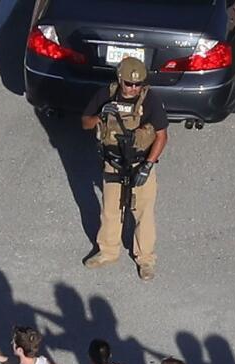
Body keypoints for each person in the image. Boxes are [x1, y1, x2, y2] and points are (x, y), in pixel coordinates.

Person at [80, 56, 169, 281]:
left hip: (139, 163)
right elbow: (84, 123)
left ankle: (146, 259)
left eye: (138, 84)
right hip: (113, 162)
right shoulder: (106, 95)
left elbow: (161, 136)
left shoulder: (150, 100)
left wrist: (147, 166)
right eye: (129, 83)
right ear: (120, 79)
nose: (133, 88)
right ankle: (108, 251)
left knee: (143, 212)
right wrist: (101, 115)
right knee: (110, 209)